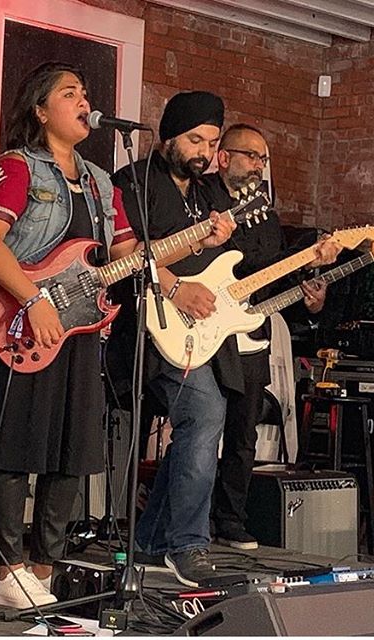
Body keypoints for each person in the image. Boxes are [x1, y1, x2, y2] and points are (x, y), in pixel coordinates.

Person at [0, 61, 138, 609]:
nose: (84, 101)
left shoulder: (100, 181)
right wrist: (34, 299)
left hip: (78, 328)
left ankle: (42, 566)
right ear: (40, 111)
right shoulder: (18, 168)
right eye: (69, 93)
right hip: (17, 319)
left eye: (85, 93)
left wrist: (185, 253)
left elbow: (125, 255)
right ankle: (8, 567)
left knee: (72, 450)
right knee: (15, 446)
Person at [108, 91, 239, 588]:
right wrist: (177, 286)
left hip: (195, 333)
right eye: (194, 139)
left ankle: (154, 540)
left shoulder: (209, 194)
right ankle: (186, 544)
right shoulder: (133, 183)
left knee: (202, 420)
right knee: (204, 414)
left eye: (211, 141)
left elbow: (224, 266)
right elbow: (125, 253)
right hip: (143, 326)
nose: (203, 151)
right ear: (167, 138)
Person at [201, 123, 341, 549]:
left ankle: (230, 520)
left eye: (264, 159)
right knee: (201, 432)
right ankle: (189, 523)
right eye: (251, 156)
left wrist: (310, 296)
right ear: (223, 157)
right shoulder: (201, 198)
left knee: (243, 435)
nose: (259, 166)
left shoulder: (266, 213)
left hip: (251, 330)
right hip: (206, 327)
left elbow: (272, 282)